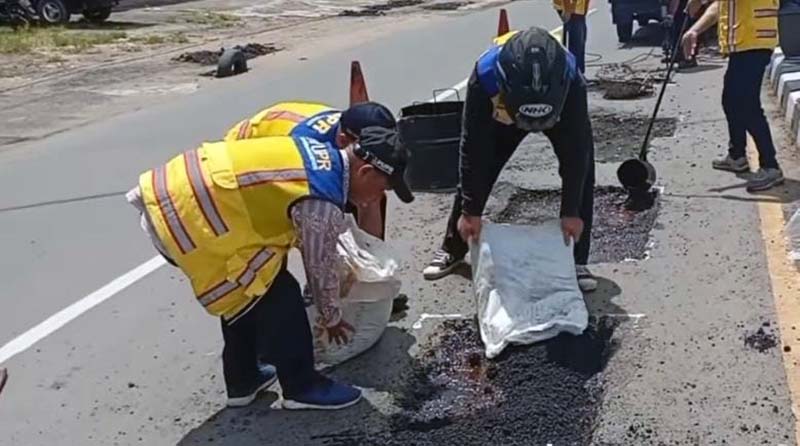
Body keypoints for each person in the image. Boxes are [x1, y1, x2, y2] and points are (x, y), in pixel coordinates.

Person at [127, 127, 413, 409]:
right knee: (277, 293)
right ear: (364, 173)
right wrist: (332, 316)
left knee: (248, 292)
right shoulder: (322, 197)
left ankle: (243, 381)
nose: (377, 198)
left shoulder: (318, 156)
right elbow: (318, 266)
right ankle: (302, 386)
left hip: (172, 195)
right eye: (382, 188)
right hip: (184, 218)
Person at [423, 27, 598, 292]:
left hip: (559, 114)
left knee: (583, 170)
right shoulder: (485, 78)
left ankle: (576, 259)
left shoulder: (572, 81)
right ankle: (454, 247)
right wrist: (470, 211)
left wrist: (571, 212)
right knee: (479, 172)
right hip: (503, 116)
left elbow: (577, 154)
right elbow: (473, 148)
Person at [225, 101, 397, 239]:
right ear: (343, 141)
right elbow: (304, 214)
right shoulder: (307, 148)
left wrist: (372, 268)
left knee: (371, 189)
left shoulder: (358, 126)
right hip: (244, 153)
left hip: (290, 124)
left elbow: (369, 198)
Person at [682, 0, 783, 192]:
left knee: (747, 106)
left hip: (755, 43)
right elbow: (719, 6)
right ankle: (737, 156)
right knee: (730, 101)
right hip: (743, 45)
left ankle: (771, 167)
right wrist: (694, 30)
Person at [553, 0, 589, 73]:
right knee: (576, 45)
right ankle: (576, 75)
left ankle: (578, 74)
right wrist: (568, 9)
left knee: (579, 43)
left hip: (577, 10)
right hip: (573, 10)